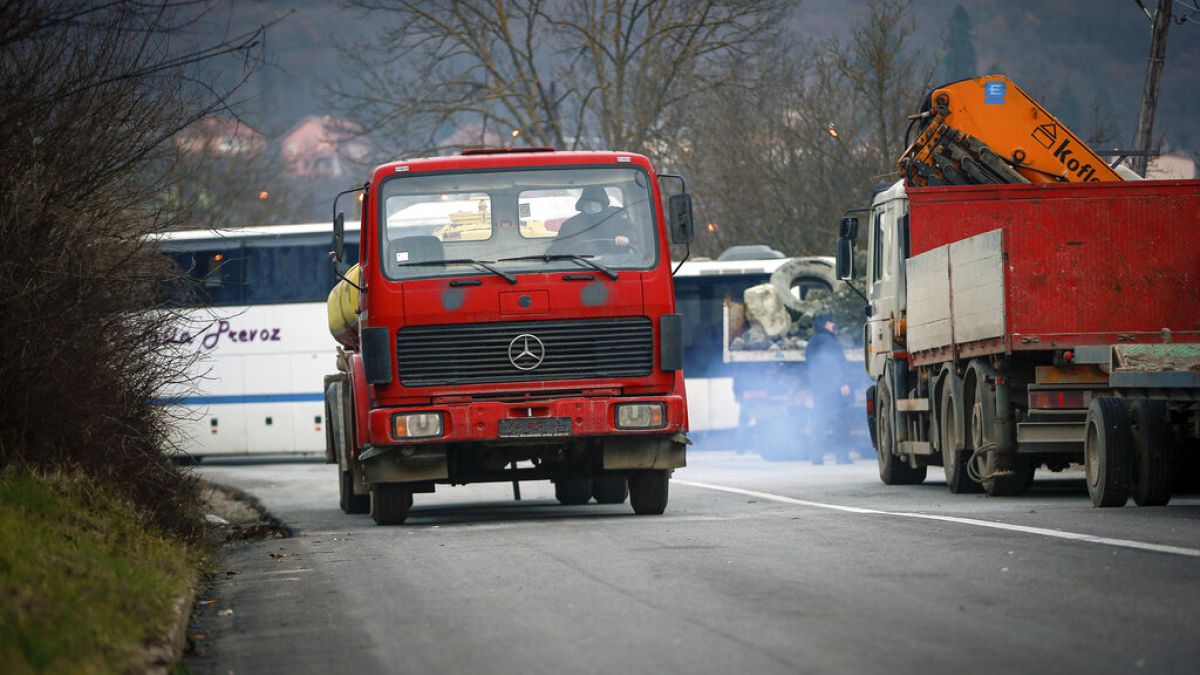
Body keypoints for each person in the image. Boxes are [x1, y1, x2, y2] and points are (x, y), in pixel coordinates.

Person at [806, 313, 853, 464]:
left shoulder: (812, 342)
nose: (833, 325)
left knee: (819, 422)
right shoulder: (829, 342)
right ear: (825, 324)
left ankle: (816, 457)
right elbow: (836, 365)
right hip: (832, 389)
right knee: (839, 422)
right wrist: (843, 383)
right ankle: (842, 457)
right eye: (831, 322)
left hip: (818, 388)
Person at [550, 186, 636, 253]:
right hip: (577, 266)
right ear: (582, 204)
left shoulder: (616, 217)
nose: (591, 206)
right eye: (588, 202)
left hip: (616, 266)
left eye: (596, 202)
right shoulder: (570, 225)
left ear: (603, 204)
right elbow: (555, 251)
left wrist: (626, 238)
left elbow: (636, 238)